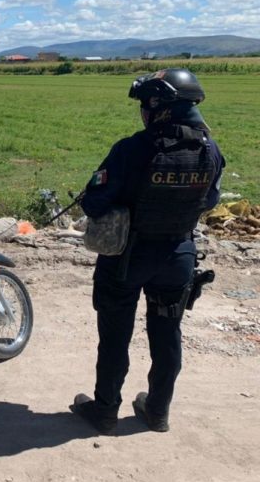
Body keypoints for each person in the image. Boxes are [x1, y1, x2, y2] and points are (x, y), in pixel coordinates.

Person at [71, 68, 226, 434]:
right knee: (167, 334)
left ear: (158, 106)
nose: (141, 111)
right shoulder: (210, 149)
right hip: (179, 254)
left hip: (128, 258)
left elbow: (94, 203)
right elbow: (210, 201)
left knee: (115, 337)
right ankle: (157, 411)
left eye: (144, 104)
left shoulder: (132, 149)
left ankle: (105, 411)